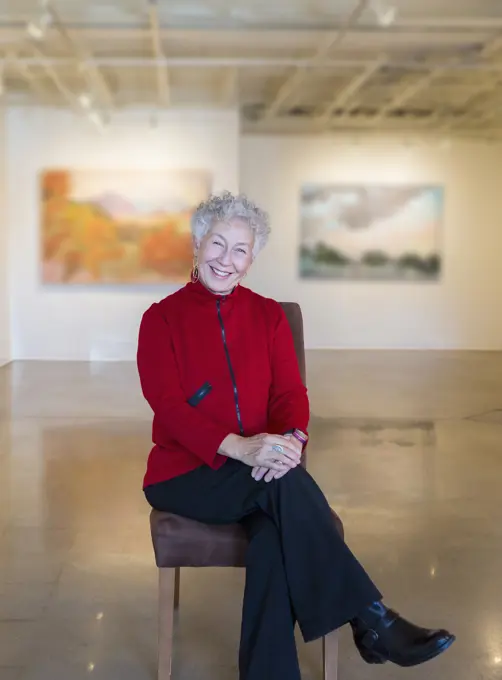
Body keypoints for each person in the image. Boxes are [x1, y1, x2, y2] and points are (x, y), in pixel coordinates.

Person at [137, 191, 455, 680]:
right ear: (197, 245)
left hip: (263, 468)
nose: (226, 258)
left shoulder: (267, 316)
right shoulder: (160, 318)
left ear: (252, 258)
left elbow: (291, 393)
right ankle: (373, 620)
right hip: (187, 473)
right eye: (217, 244)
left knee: (272, 536)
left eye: (240, 249)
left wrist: (289, 442)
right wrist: (240, 446)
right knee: (284, 487)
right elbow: (169, 406)